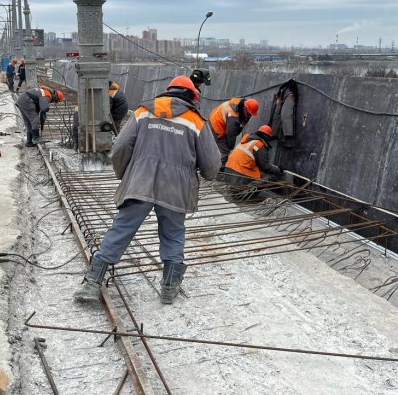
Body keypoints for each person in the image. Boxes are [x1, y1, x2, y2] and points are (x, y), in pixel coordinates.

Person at [74, 76, 221, 304]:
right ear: (193, 96)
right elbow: (211, 164)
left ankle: (92, 283)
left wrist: (126, 175)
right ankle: (169, 288)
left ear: (167, 91)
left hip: (140, 181)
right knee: (173, 234)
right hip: (176, 188)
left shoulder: (143, 112)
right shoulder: (196, 121)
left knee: (121, 229)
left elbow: (121, 146)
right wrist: (205, 175)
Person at [224, 125, 283, 199]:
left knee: (257, 171)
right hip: (239, 173)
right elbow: (266, 166)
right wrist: (279, 169)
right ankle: (242, 194)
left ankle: (237, 189)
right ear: (266, 136)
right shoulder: (259, 144)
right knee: (266, 177)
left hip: (228, 171)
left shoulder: (246, 140)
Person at [209, 97, 259, 165]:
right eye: (249, 114)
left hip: (217, 116)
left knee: (221, 148)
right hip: (216, 125)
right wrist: (230, 149)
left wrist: (243, 122)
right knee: (225, 153)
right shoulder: (233, 117)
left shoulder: (242, 103)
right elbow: (231, 136)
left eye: (251, 115)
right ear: (244, 108)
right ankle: (215, 171)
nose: (249, 117)